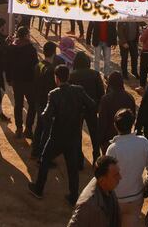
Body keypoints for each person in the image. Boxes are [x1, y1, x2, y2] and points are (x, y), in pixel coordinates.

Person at [28, 64, 96, 204]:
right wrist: (80, 112)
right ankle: (73, 196)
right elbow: (92, 104)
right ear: (68, 76)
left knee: (45, 160)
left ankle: (39, 189)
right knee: (72, 168)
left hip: (57, 136)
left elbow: (46, 115)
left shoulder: (54, 94)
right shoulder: (79, 91)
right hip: (73, 135)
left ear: (57, 78)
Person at [105, 109, 148, 227]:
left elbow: (105, 174)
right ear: (133, 123)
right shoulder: (143, 142)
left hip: (116, 199)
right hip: (136, 196)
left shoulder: (113, 148)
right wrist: (146, 182)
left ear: (115, 126)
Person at [70, 51, 105, 166]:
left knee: (77, 135)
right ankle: (96, 157)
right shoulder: (95, 74)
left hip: (76, 109)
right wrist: (98, 106)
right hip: (92, 107)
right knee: (94, 134)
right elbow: (101, 92)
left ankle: (79, 160)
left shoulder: (72, 75)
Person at [68, 155, 122, 227]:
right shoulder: (87, 205)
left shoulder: (108, 187)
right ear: (102, 180)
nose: (120, 177)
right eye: (116, 175)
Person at [6, 26, 39, 138]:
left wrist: (9, 78)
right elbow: (35, 66)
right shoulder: (30, 49)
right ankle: (28, 128)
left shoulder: (11, 47)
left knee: (18, 104)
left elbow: (8, 65)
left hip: (16, 80)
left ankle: (19, 128)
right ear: (25, 35)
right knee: (32, 104)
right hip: (29, 80)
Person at [31, 42, 59, 158]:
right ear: (54, 53)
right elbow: (52, 89)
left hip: (38, 100)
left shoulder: (39, 65)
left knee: (40, 127)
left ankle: (35, 151)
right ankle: (42, 155)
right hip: (46, 103)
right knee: (47, 131)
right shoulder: (51, 70)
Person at [98, 72, 136, 155]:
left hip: (109, 139)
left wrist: (100, 140)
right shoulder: (130, 97)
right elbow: (133, 117)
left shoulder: (106, 99)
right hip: (126, 137)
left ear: (110, 84)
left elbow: (102, 122)